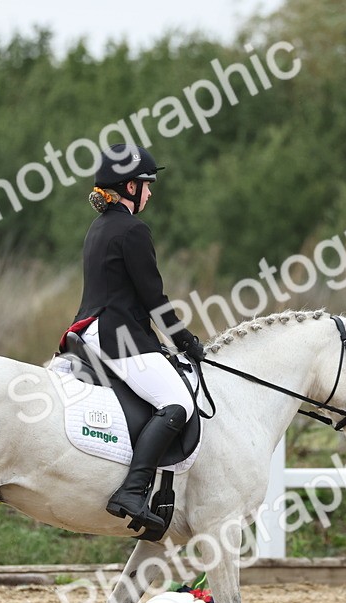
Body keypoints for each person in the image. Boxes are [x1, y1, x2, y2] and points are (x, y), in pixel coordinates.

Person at [67, 144, 206, 534]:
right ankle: (132, 489)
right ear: (129, 187)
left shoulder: (99, 228)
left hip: (87, 329)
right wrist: (186, 342)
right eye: (147, 183)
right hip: (119, 336)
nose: (150, 192)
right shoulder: (133, 229)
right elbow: (154, 301)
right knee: (177, 401)